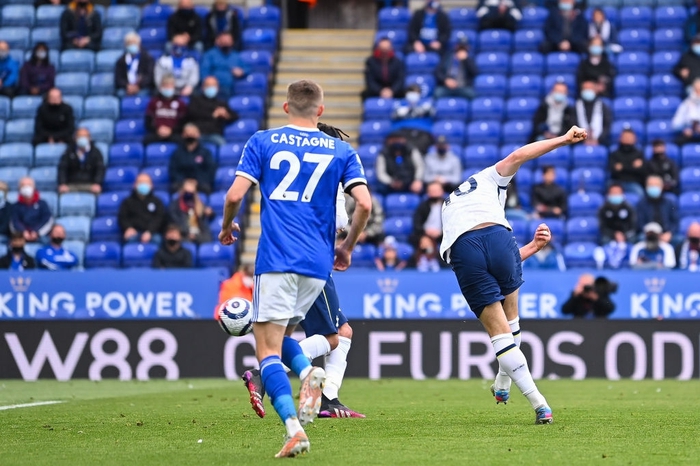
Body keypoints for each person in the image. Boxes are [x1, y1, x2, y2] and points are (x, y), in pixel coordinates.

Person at [218, 80, 371, 457]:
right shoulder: (341, 149)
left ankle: (295, 423)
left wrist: (226, 226)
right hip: (317, 265)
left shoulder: (263, 141)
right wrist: (347, 247)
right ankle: (308, 374)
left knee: (267, 349)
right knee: (288, 339)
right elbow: (365, 205)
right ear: (320, 111)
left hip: (277, 259)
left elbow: (235, 194)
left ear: (285, 108)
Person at [440, 124, 587, 424]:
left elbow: (476, 253)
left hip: (462, 247)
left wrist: (533, 246)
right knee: (511, 319)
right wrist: (563, 138)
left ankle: (535, 402)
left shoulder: (450, 203)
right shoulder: (491, 177)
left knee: (498, 332)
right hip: (499, 237)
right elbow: (520, 154)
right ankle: (509, 385)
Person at [241, 122, 367, 421]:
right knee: (333, 336)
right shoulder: (331, 174)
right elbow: (339, 219)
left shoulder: (293, 166)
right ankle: (264, 374)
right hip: (312, 259)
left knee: (340, 331)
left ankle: (329, 397)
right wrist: (345, 245)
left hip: (280, 258)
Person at [185, 76, 238, 146]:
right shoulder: (196, 100)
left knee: (223, 146)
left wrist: (226, 114)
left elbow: (235, 116)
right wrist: (213, 115)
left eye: (213, 86)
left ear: (218, 88)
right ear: (203, 87)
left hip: (214, 134)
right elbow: (192, 114)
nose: (211, 88)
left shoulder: (221, 103)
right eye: (208, 85)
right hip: (198, 134)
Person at [118, 173, 166, 245]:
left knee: (157, 240)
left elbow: (159, 218)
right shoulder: (127, 202)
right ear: (134, 185)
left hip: (152, 233)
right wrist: (128, 228)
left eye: (146, 182)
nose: (143, 185)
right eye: (140, 182)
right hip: (134, 232)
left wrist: (149, 231)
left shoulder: (157, 202)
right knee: (130, 239)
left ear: (151, 185)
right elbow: (122, 217)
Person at [168, 124, 216, 194]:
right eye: (187, 133)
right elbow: (173, 170)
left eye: (192, 133)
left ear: (198, 134)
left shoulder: (205, 152)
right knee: (174, 188)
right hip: (181, 183)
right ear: (183, 134)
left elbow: (210, 169)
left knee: (207, 188)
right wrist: (184, 182)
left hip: (200, 184)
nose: (190, 135)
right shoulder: (177, 153)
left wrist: (197, 182)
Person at [57, 127, 105, 194]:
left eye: (85, 136)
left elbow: (100, 168)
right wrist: (62, 183)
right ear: (75, 138)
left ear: (89, 138)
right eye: (80, 136)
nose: (82, 139)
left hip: (90, 185)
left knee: (97, 191)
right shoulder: (68, 152)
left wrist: (97, 183)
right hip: (71, 184)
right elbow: (62, 168)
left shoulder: (96, 152)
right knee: (62, 191)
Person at [144, 75, 188, 146]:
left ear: (174, 87)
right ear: (161, 87)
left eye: (170, 86)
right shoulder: (154, 102)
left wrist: (171, 130)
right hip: (157, 133)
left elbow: (183, 122)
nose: (168, 88)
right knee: (146, 141)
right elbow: (147, 122)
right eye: (165, 86)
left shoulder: (180, 103)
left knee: (183, 142)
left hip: (174, 133)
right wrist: (157, 130)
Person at [200, 32, 248, 98]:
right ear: (218, 41)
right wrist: (209, 82)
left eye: (228, 40)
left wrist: (242, 71)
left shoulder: (236, 56)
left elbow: (248, 68)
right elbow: (204, 71)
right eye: (224, 40)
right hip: (213, 89)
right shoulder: (210, 54)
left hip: (230, 88)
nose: (226, 42)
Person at [635, 175, 679, 244]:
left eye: (656, 185)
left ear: (661, 187)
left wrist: (669, 233)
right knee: (640, 238)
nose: (653, 187)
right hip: (648, 234)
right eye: (651, 185)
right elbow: (640, 223)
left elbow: (675, 222)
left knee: (679, 239)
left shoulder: (669, 202)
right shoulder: (641, 204)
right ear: (646, 187)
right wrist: (650, 234)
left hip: (666, 233)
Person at [168, 178, 213, 244]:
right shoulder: (175, 205)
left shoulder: (198, 204)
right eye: (187, 192)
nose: (189, 195)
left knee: (208, 239)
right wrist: (187, 232)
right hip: (184, 234)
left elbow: (206, 219)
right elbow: (175, 221)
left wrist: (210, 213)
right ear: (182, 190)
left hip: (198, 233)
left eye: (191, 193)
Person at [10, 177, 54, 243]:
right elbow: (14, 222)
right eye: (23, 185)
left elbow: (47, 220)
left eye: (29, 185)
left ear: (34, 187)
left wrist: (36, 232)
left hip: (40, 235)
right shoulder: (16, 206)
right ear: (19, 188)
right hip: (21, 236)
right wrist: (23, 232)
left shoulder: (42, 204)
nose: (26, 187)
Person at [115, 32, 155, 97]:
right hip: (126, 88)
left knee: (144, 94)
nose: (132, 45)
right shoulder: (121, 61)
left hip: (142, 87)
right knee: (120, 93)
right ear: (125, 45)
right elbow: (118, 79)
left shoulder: (147, 58)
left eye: (134, 43)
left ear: (139, 44)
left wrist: (138, 86)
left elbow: (149, 76)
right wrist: (127, 86)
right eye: (130, 43)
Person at [608, 129, 646, 196]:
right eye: (625, 137)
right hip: (617, 182)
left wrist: (622, 167)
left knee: (640, 193)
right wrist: (632, 166)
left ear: (634, 139)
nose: (627, 139)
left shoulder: (639, 153)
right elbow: (613, 169)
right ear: (620, 138)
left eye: (629, 137)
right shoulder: (614, 153)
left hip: (633, 182)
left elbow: (642, 170)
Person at [573, 81, 612, 146]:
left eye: (590, 89)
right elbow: (573, 124)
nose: (587, 91)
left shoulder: (603, 106)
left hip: (600, 142)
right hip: (580, 143)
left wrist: (598, 139)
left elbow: (607, 125)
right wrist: (582, 140)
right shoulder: (576, 106)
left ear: (595, 90)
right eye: (585, 89)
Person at [411, 181, 445, 245]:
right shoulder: (423, 206)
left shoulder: (448, 206)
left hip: (443, 236)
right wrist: (426, 231)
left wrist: (440, 233)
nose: (434, 193)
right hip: (425, 234)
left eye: (436, 191)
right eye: (431, 191)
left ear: (442, 191)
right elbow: (417, 223)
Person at [672, 78, 700, 145]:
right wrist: (684, 129)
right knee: (678, 142)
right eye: (697, 90)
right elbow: (675, 124)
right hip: (689, 136)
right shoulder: (685, 104)